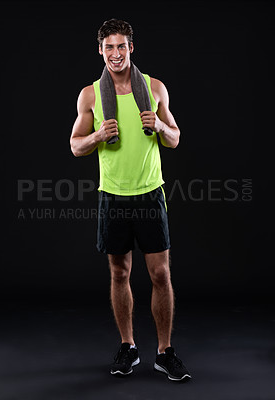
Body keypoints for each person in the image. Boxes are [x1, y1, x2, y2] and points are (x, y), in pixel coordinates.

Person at [70, 18, 191, 382]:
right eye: (109, 47)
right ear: (101, 51)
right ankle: (129, 346)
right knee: (119, 272)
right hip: (113, 197)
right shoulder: (90, 95)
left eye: (121, 46)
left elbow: (175, 139)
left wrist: (161, 126)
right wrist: (96, 137)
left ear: (131, 48)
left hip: (150, 194)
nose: (116, 54)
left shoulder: (154, 88)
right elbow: (76, 146)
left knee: (160, 273)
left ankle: (165, 352)